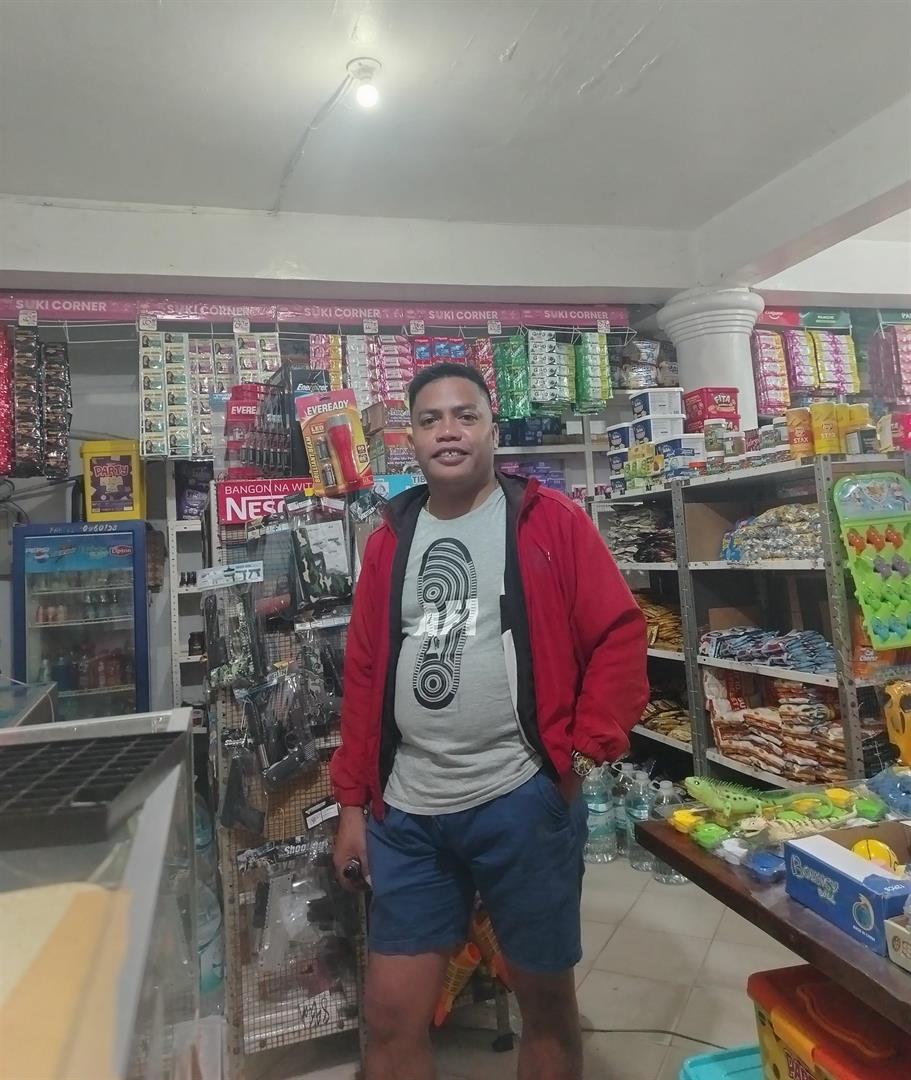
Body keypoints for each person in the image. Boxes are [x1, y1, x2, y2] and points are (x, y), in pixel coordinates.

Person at [332, 362, 648, 1080]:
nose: (448, 431)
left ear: (491, 431)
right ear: (410, 439)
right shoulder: (389, 540)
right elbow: (363, 675)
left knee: (545, 1006)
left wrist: (581, 754)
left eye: (465, 415)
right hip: (407, 811)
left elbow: (619, 635)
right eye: (430, 419)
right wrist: (352, 803)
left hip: (521, 800)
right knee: (390, 1015)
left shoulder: (548, 521)